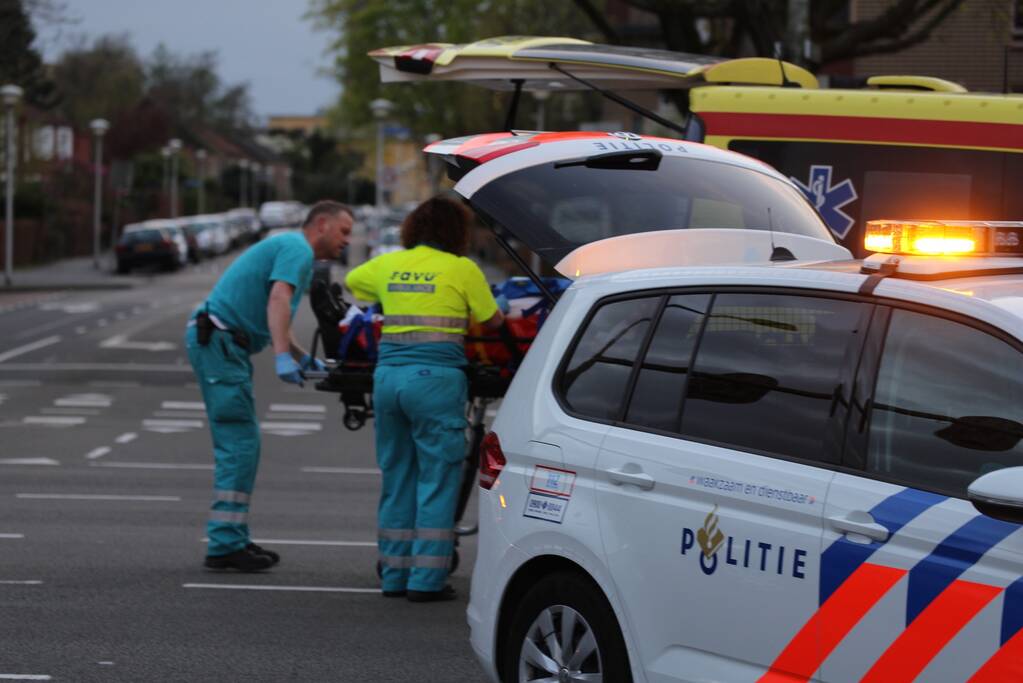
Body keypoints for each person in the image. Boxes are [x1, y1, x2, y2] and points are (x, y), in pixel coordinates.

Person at [345, 196, 505, 602]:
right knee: (437, 479)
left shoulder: (386, 265)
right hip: (435, 381)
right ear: (457, 232)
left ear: (413, 228)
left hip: (387, 380)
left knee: (397, 478)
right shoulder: (462, 268)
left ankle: (394, 576)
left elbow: (353, 283)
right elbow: (492, 320)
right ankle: (426, 581)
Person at [186, 200, 353, 572]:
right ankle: (225, 543)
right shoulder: (296, 248)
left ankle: (231, 536)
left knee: (242, 442)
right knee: (240, 442)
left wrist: (295, 353)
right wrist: (281, 356)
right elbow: (278, 298)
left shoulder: (293, 249)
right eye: (344, 231)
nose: (347, 241)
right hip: (220, 342)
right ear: (322, 225)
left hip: (222, 342)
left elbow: (277, 309)